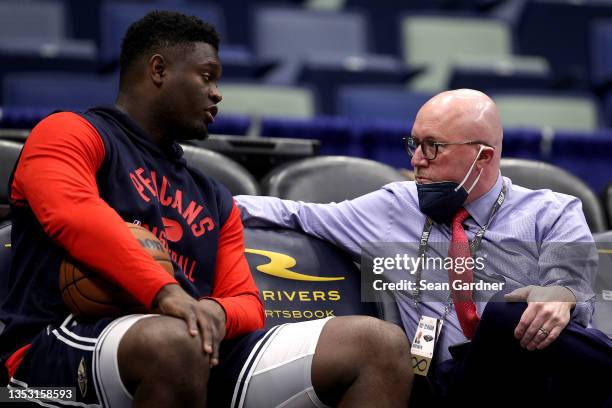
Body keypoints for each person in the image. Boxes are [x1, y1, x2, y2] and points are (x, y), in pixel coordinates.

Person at [0, 11, 414, 408]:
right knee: (175, 342)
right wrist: (168, 293)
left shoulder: (214, 195)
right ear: (159, 70)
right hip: (48, 357)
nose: (217, 93)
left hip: (190, 350)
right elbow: (74, 215)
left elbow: (247, 303)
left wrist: (214, 311)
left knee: (379, 345)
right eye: (206, 76)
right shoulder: (70, 133)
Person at [236, 89, 612, 406]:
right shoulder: (393, 207)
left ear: (482, 156)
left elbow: (572, 283)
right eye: (414, 144)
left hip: (534, 379)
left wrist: (557, 296)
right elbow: (297, 215)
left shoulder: (552, 210)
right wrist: (207, 205)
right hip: (444, 385)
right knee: (503, 315)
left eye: (433, 147)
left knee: (510, 316)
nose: (416, 160)